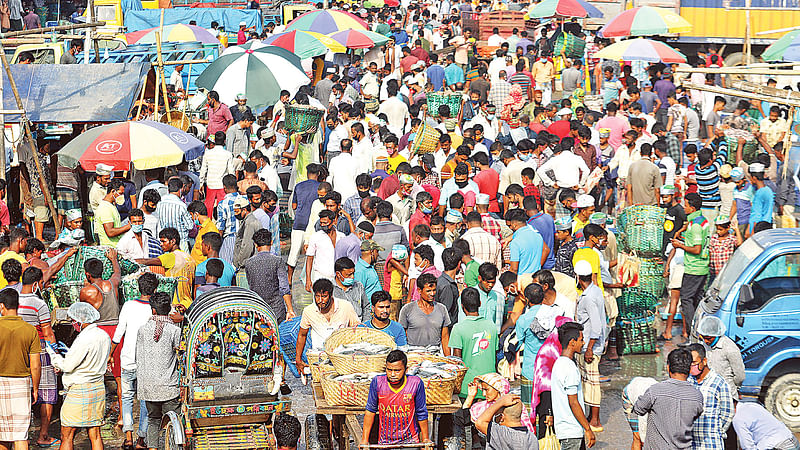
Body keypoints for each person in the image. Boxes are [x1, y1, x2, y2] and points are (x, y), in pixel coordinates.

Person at [47, 302, 111, 450]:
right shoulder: (104, 335)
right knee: (95, 433)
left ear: (79, 321)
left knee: (67, 435)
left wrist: (53, 355)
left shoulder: (83, 338)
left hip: (79, 390)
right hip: (97, 388)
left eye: (73, 321)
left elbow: (67, 366)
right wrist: (70, 352)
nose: (73, 325)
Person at [112, 272, 157, 450]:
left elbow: (118, 333)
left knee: (127, 398)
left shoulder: (129, 305)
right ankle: (141, 439)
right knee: (146, 402)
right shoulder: (154, 309)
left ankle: (128, 437)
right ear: (154, 289)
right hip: (146, 363)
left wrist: (110, 354)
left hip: (127, 360)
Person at [450, 287, 498, 440]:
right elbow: (494, 352)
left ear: (462, 306)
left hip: (467, 387)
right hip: (488, 386)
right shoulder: (491, 326)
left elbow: (458, 361)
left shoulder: (458, 328)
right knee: (485, 426)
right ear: (480, 303)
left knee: (464, 428)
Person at [16, 268, 58, 448]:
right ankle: (43, 435)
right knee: (47, 392)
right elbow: (48, 333)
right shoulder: (39, 303)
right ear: (35, 284)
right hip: (39, 349)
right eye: (41, 283)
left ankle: (20, 435)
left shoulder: (12, 300)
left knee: (22, 392)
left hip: (18, 350)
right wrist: (55, 355)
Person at [135, 292, 182, 450]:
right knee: (175, 421)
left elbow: (139, 357)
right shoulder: (173, 330)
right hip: (169, 387)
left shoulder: (142, 330)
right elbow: (180, 352)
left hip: (149, 387)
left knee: (153, 420)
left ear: (153, 310)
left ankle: (153, 447)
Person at [633, 348, 704, 450]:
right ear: (689, 370)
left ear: (668, 367)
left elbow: (638, 409)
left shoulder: (655, 390)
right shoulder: (697, 396)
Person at [0, 287, 41, 450]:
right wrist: (35, 389)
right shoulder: (30, 330)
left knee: (2, 435)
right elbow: (36, 365)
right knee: (20, 434)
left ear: (1, 306)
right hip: (22, 384)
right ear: (17, 306)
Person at [361, 350, 430, 446]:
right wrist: (364, 440)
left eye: (397, 371)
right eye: (389, 370)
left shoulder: (416, 383)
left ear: (406, 370)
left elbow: (421, 412)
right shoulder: (377, 382)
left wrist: (425, 439)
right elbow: (370, 411)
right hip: (385, 442)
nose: (392, 374)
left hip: (410, 442)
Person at [295, 279, 360, 371]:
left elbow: (356, 330)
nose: (320, 300)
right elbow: (302, 335)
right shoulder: (308, 311)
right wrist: (298, 359)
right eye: (317, 296)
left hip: (342, 357)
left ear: (331, 295)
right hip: (319, 358)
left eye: (324, 296)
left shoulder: (346, 306)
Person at [573, 259, 606, 432]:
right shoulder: (595, 291)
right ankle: (590, 417)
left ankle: (595, 420)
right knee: (587, 381)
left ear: (578, 277)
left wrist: (590, 348)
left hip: (590, 345)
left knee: (592, 383)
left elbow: (596, 326)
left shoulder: (589, 297)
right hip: (591, 344)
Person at [551, 321, 595, 449]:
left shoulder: (558, 364)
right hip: (572, 431)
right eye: (581, 340)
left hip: (564, 430)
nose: (583, 343)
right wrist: (588, 429)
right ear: (572, 342)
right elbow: (573, 402)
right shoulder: (569, 368)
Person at [673, 193, 710, 331]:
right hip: (702, 267)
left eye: (686, 205)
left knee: (686, 299)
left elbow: (696, 249)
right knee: (697, 299)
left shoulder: (695, 225)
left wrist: (680, 246)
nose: (683, 207)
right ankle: (701, 330)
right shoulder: (702, 220)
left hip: (694, 268)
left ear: (692, 208)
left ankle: (693, 331)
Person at [687, 343, 734, 450]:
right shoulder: (688, 380)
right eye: (689, 363)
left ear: (704, 361)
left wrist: (716, 430)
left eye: (694, 362)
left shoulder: (718, 382)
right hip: (691, 441)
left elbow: (727, 413)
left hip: (711, 442)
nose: (691, 366)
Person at [135, 228, 195, 310]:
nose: (161, 244)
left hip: (175, 304)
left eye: (163, 241)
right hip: (188, 303)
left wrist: (129, 260)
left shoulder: (171, 256)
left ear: (173, 241)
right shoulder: (189, 258)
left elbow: (147, 261)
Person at [243, 229, 293, 323]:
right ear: (271, 242)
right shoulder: (277, 261)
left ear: (256, 245)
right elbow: (284, 287)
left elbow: (251, 285)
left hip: (259, 308)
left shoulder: (248, 263)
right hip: (276, 309)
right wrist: (290, 309)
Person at [695, 316, 745, 400]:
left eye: (709, 338)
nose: (706, 341)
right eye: (703, 338)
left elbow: (740, 375)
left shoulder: (730, 349)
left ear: (717, 335)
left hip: (726, 394)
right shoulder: (704, 344)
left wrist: (736, 387)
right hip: (709, 391)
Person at [399, 273, 450, 353]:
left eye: (434, 290)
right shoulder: (407, 309)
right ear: (419, 290)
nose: (432, 294)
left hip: (435, 355)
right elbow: (402, 336)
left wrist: (448, 360)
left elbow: (445, 337)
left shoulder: (442, 309)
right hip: (414, 355)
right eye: (428, 291)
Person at [474, 393, 540, 450]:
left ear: (502, 417)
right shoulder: (532, 437)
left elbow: (480, 422)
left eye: (496, 415)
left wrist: (500, 402)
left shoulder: (502, 433)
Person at [733, 399, 800, 450]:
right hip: (791, 440)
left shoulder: (738, 419)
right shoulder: (751, 405)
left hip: (781, 446)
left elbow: (748, 447)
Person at [154, 178, 194, 252]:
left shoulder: (159, 203)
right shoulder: (182, 205)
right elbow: (190, 226)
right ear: (181, 189)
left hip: (165, 242)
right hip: (181, 243)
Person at [95, 178, 131, 247]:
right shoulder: (105, 208)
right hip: (110, 248)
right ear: (113, 191)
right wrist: (128, 226)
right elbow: (110, 232)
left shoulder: (111, 206)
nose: (122, 196)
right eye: (120, 193)